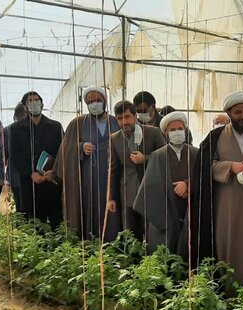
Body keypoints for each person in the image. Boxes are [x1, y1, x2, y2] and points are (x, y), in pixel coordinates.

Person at [190, 90, 243, 286]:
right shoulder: (215, 137)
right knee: (224, 243)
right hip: (224, 207)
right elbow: (204, 168)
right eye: (238, 112)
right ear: (229, 113)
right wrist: (230, 166)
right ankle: (225, 286)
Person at [54, 86, 121, 241]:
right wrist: (80, 147)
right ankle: (88, 243)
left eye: (98, 100)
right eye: (90, 101)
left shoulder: (115, 121)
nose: (94, 104)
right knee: (87, 210)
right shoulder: (77, 124)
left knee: (112, 211)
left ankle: (113, 244)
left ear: (105, 101)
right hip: (86, 180)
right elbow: (65, 151)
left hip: (112, 179)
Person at [134, 112, 198, 254]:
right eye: (173, 130)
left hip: (190, 210)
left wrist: (188, 184)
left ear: (186, 130)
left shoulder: (196, 153)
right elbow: (149, 189)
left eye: (180, 128)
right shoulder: (158, 155)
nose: (177, 132)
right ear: (165, 133)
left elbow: (203, 177)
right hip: (166, 212)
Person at [108, 100, 166, 240]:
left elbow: (165, 159)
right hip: (128, 194)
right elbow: (113, 170)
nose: (124, 122)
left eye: (127, 117)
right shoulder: (114, 138)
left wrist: (144, 159)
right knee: (130, 235)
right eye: (120, 119)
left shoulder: (153, 133)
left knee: (152, 233)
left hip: (151, 191)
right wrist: (111, 198)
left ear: (135, 116)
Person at [10, 91, 64, 228]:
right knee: (35, 221)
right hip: (30, 183)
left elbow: (62, 152)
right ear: (25, 106)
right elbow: (15, 156)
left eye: (37, 100)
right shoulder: (16, 129)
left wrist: (54, 171)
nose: (34, 103)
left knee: (56, 219)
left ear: (42, 103)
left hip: (52, 180)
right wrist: (30, 172)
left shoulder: (55, 126)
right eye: (30, 101)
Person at [0, 103, 27, 211]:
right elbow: (2, 154)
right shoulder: (8, 131)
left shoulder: (34, 129)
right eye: (21, 116)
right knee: (20, 203)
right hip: (16, 175)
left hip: (35, 175)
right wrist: (0, 175)